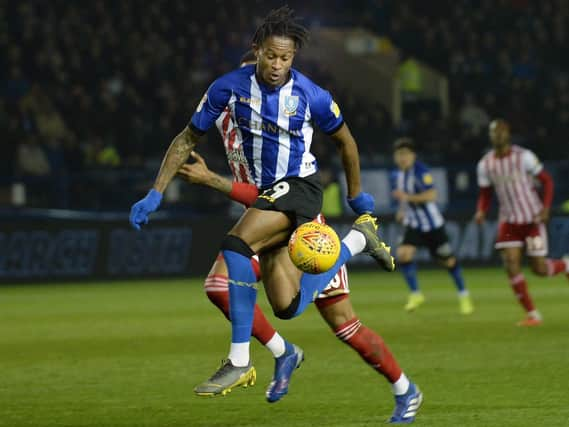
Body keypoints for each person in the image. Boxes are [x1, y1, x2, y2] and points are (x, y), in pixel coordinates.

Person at [128, 7, 420, 422]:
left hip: (301, 204)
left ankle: (244, 360)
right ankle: (348, 258)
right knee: (285, 307)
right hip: (268, 205)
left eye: (285, 58)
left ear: (293, 58)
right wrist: (155, 192)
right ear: (256, 52)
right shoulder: (228, 94)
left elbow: (346, 143)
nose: (276, 65)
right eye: (270, 57)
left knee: (249, 261)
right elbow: (188, 138)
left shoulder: (309, 95)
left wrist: (358, 199)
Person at [178, 146, 421, 421]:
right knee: (218, 285)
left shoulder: (270, 123)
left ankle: (405, 389)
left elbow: (279, 192)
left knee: (346, 326)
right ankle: (283, 351)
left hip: (304, 235)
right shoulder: (233, 119)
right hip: (264, 233)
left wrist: (211, 180)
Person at [475, 119, 569, 326]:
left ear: (508, 134)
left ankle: (566, 265)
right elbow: (485, 193)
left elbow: (547, 180)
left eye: (501, 131)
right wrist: (481, 210)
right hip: (509, 223)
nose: (498, 135)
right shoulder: (485, 164)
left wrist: (545, 208)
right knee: (511, 263)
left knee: (540, 268)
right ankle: (533, 314)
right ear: (490, 136)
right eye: (494, 132)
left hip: (532, 221)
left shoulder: (524, 157)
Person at [391, 138, 474, 314]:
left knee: (448, 262)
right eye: (399, 154)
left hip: (433, 226)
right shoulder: (399, 175)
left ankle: (464, 295)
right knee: (403, 254)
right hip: (414, 224)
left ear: (413, 155)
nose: (402, 158)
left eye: (405, 154)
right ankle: (416, 294)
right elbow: (404, 198)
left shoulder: (421, 172)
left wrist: (406, 198)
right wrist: (402, 210)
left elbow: (431, 195)